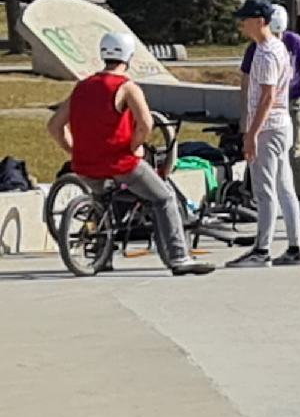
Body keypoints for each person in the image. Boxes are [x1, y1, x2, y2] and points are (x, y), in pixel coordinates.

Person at [45, 32, 213, 276]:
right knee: (163, 198)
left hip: (85, 164)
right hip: (120, 161)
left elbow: (54, 126)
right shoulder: (126, 87)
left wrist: (73, 149)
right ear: (129, 57)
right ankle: (179, 257)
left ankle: (102, 255)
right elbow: (145, 123)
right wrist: (135, 145)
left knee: (102, 199)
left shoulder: (82, 87)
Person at [232, 0, 300, 267]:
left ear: (260, 22)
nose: (242, 24)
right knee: (284, 187)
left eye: (246, 19)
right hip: (281, 124)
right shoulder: (278, 48)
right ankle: (294, 246)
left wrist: (251, 133)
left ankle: (262, 250)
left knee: (264, 191)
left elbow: (266, 96)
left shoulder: (263, 53)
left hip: (268, 127)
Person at [265, 3, 300, 191]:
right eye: (274, 34)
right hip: (270, 104)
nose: (277, 39)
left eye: (279, 35)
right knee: (266, 149)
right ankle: (259, 193)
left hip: (294, 101)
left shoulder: (294, 41)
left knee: (295, 151)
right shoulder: (260, 44)